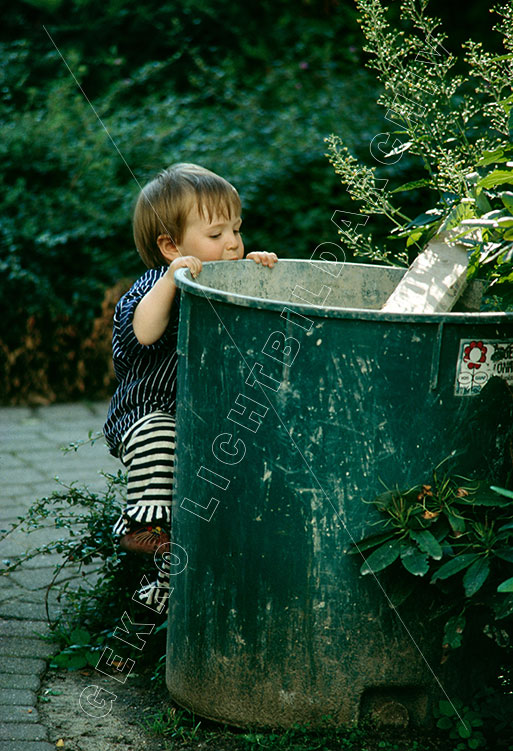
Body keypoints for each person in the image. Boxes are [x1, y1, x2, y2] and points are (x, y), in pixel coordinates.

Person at [104, 162, 278, 612]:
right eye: (216, 234)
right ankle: (144, 525)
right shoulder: (155, 287)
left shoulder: (227, 283)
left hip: (205, 420)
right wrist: (170, 280)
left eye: (237, 229)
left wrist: (262, 276)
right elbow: (144, 333)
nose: (233, 243)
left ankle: (161, 600)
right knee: (160, 437)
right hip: (150, 412)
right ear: (170, 246)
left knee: (196, 510)